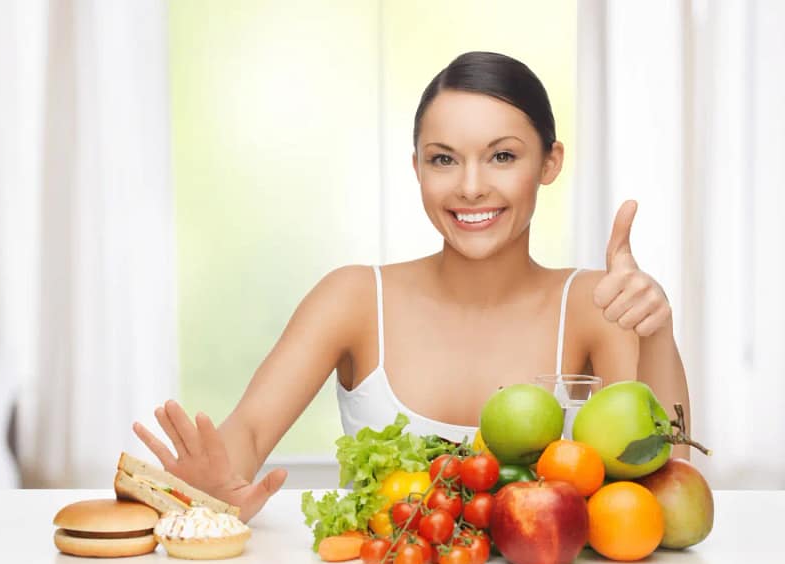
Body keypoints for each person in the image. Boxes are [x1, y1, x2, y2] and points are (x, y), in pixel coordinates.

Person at [133, 51, 691, 522]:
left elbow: (669, 489)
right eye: (443, 160)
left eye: (502, 156)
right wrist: (203, 488)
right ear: (417, 168)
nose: (471, 187)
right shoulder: (353, 299)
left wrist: (657, 332)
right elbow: (247, 438)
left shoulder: (598, 305)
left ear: (549, 162)